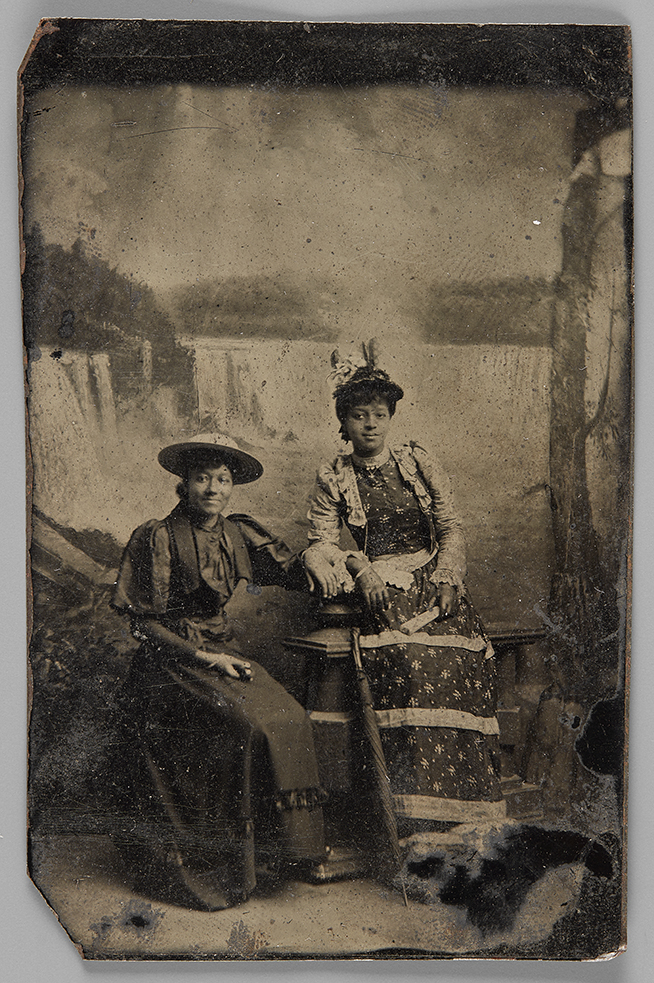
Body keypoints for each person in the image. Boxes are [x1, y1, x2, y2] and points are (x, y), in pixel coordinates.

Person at [111, 434, 326, 910]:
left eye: (223, 479)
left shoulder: (237, 534)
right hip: (169, 663)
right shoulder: (157, 536)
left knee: (289, 717)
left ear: (232, 487)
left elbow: (292, 570)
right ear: (183, 485)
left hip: (223, 648)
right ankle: (223, 862)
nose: (213, 488)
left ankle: (288, 854)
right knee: (248, 724)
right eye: (202, 478)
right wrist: (203, 658)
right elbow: (143, 622)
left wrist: (338, 557)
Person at [303, 355, 505, 839]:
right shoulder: (335, 476)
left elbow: (451, 526)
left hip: (431, 581)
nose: (369, 424)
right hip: (381, 587)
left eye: (378, 414)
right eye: (358, 415)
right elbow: (323, 543)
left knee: (458, 662)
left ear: (390, 417)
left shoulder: (416, 461)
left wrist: (448, 573)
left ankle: (468, 814)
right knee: (408, 663)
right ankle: (412, 816)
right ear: (343, 423)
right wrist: (360, 566)